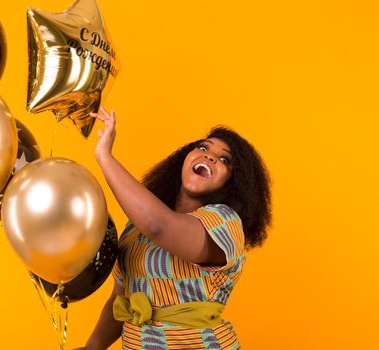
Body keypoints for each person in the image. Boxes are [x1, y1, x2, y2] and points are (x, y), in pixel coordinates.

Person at [77, 107, 272, 350]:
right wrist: (92, 347)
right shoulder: (136, 228)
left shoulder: (225, 223)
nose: (209, 156)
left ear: (233, 182)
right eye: (203, 147)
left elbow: (159, 226)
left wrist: (104, 156)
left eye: (225, 160)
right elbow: (122, 298)